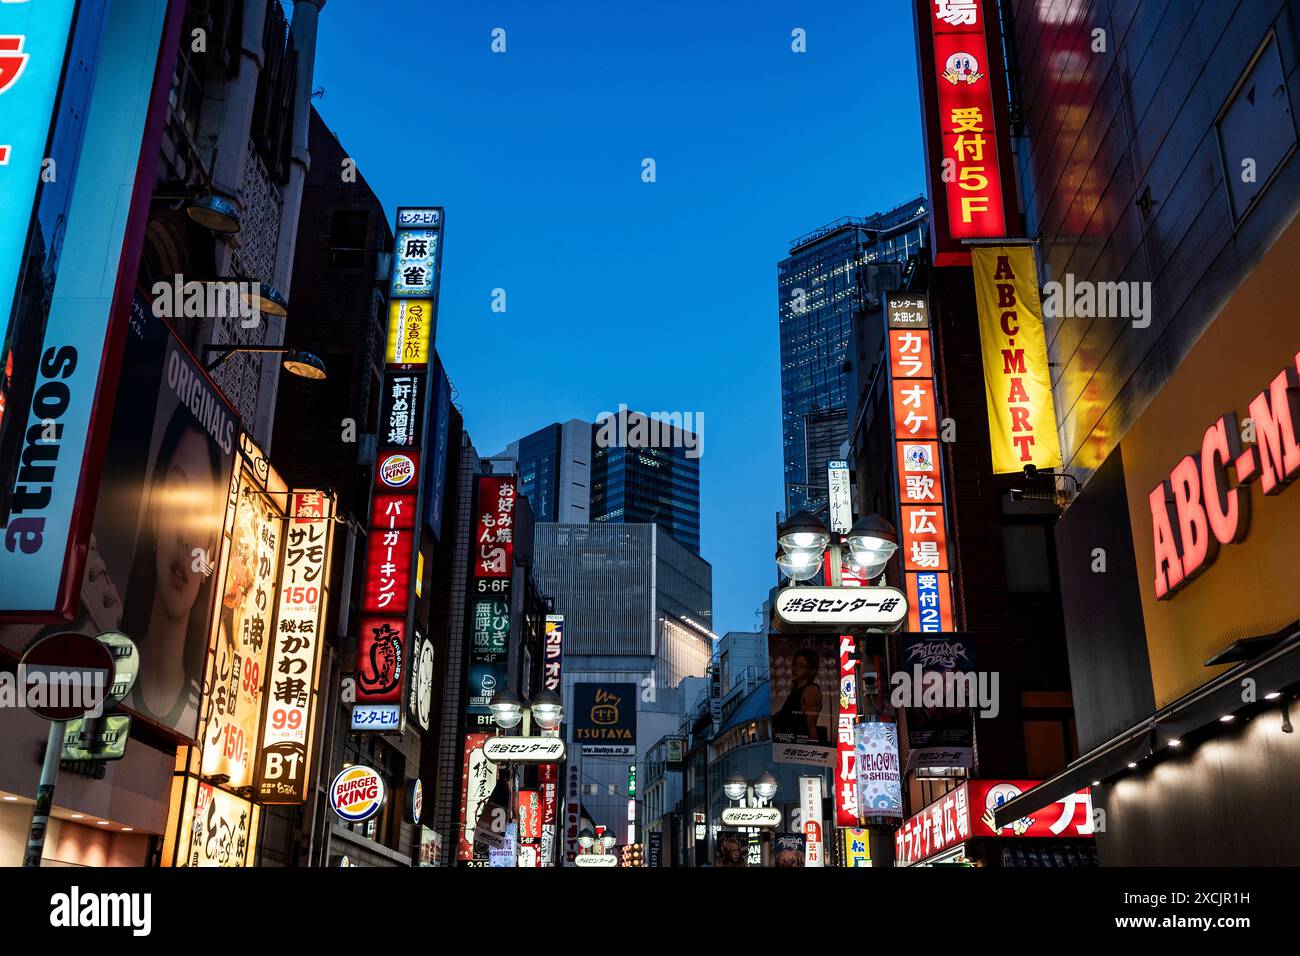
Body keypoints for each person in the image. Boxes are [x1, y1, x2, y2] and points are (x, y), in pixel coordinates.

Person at [120, 405, 225, 736]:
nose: (184, 536)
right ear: (154, 511)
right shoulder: (104, 672)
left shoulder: (211, 722)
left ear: (211, 551)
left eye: (202, 513)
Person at [772, 647, 825, 743]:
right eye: (795, 664)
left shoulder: (810, 690)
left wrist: (813, 748)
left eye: (802, 666)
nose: (795, 668)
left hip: (799, 744)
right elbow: (786, 713)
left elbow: (811, 726)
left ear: (811, 670)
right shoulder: (795, 687)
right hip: (786, 743)